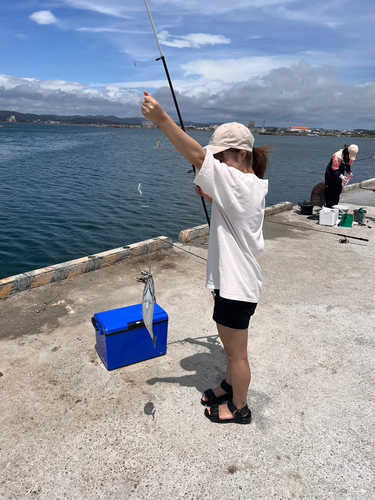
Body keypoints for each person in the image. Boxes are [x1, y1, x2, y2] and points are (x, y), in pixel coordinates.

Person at [142, 92, 270, 424]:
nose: (216, 161)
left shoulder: (238, 183)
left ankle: (239, 407)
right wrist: (214, 197)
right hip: (236, 281)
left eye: (221, 156)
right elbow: (236, 213)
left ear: (242, 154)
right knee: (229, 350)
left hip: (237, 286)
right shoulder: (250, 183)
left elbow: (197, 156)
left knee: (237, 354)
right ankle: (229, 384)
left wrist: (162, 119)